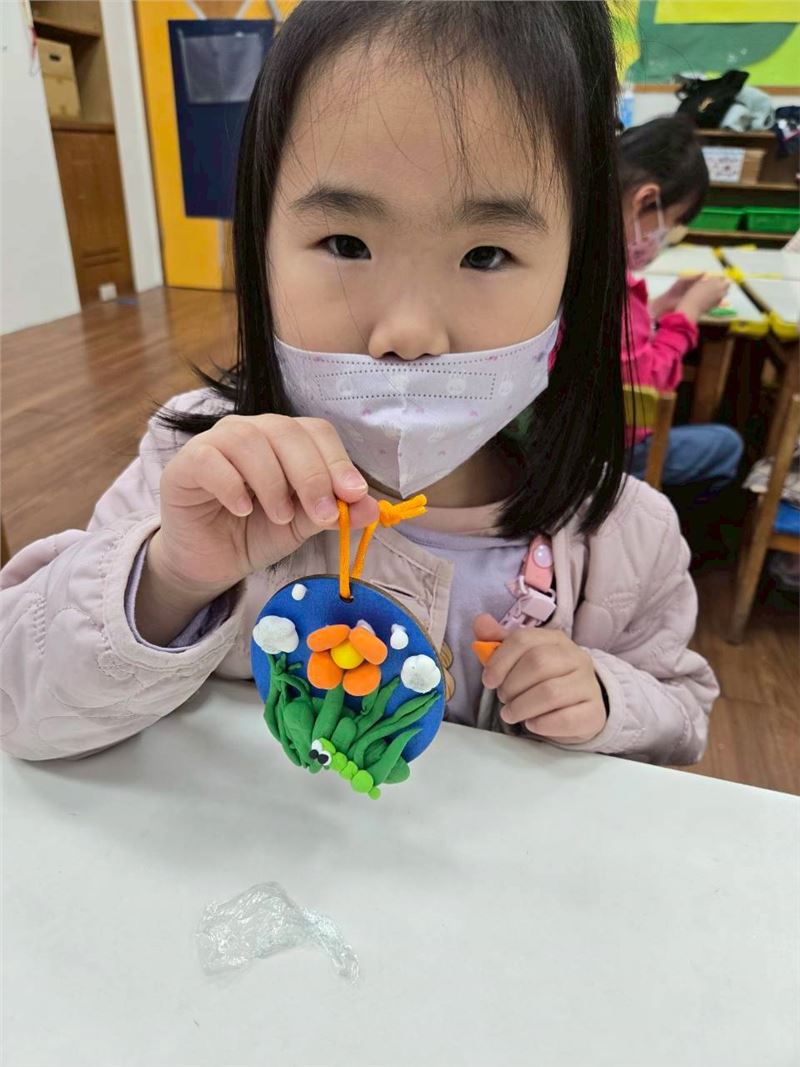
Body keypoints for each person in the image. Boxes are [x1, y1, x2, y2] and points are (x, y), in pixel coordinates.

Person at [0, 1, 717, 765]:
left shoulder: (625, 536)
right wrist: (168, 577)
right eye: (345, 242)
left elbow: (682, 717)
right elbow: (23, 706)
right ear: (260, 243)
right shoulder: (193, 470)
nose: (406, 332)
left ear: (578, 271)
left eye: (486, 255)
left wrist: (608, 697)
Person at [618, 116, 743, 495]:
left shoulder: (579, 260)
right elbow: (646, 394)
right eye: (669, 224)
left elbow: (615, 342)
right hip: (608, 450)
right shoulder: (613, 287)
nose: (663, 237)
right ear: (646, 200)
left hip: (566, 435)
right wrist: (687, 314)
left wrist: (659, 307)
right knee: (727, 444)